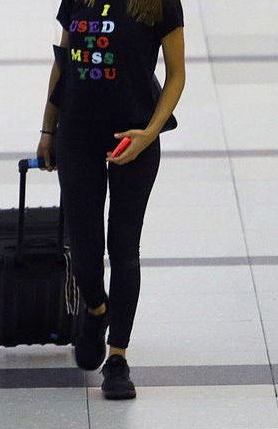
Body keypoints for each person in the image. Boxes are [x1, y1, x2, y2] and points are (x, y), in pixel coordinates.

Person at [37, 0, 186, 399]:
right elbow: (63, 63)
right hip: (77, 133)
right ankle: (96, 308)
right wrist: (48, 129)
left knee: (124, 246)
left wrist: (150, 133)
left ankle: (117, 358)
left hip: (134, 135)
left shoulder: (160, 3)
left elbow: (176, 75)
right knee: (84, 248)